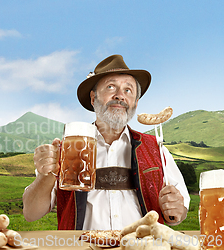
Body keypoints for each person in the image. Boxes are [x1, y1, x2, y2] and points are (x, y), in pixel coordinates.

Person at [22, 54, 190, 230]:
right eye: (111, 87)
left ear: (135, 103)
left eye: (128, 90)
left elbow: (178, 212)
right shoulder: (66, 150)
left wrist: (176, 210)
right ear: (93, 98)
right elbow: (31, 213)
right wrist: (44, 176)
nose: (120, 96)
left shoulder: (156, 148)